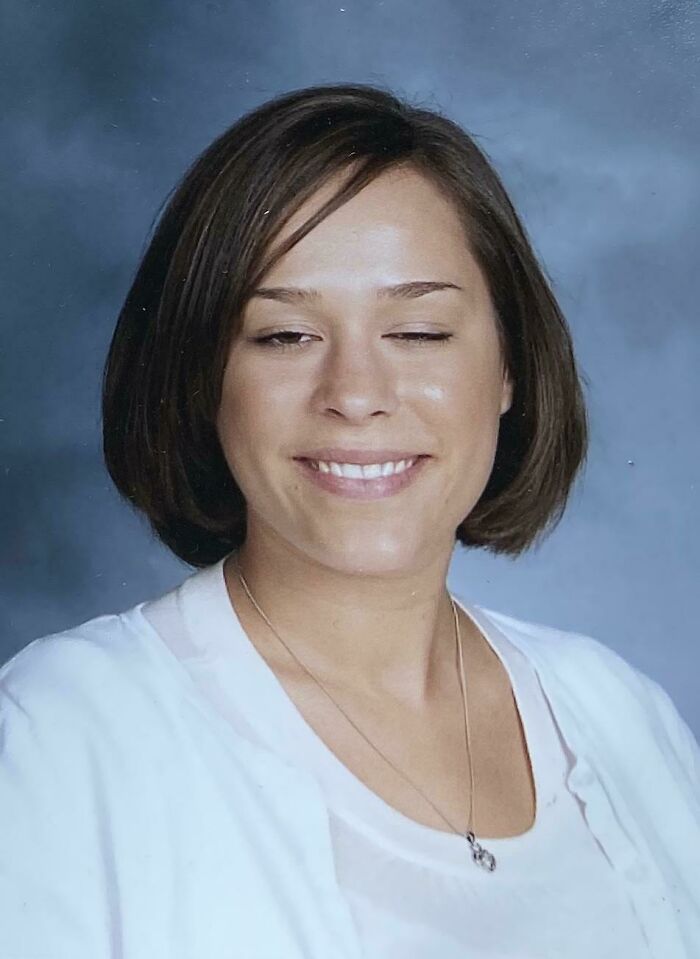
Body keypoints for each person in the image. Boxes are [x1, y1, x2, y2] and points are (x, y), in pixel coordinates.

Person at [1, 82, 698, 959]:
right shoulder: (63, 737)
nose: (356, 395)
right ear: (203, 377)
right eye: (286, 337)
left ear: (510, 367)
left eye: (419, 332)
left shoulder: (620, 714)